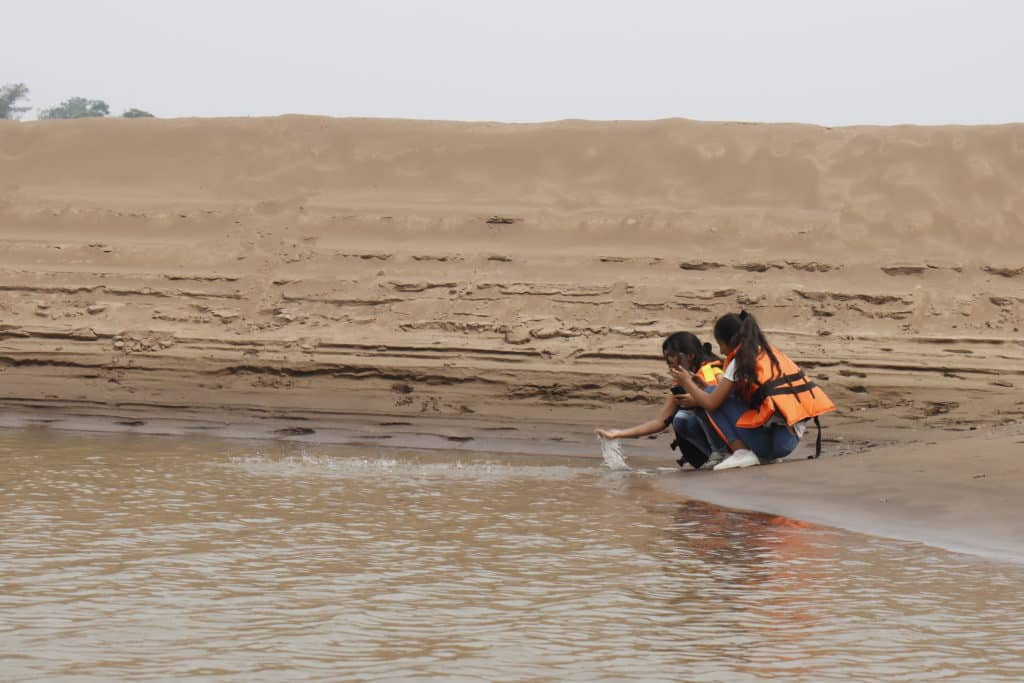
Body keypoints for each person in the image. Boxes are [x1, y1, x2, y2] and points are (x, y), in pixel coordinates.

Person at [669, 311, 836, 470]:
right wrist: (704, 386)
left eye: (721, 344)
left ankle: (741, 453)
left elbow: (711, 404)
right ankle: (760, 455)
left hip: (773, 443)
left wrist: (687, 382)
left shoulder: (739, 360)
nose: (720, 352)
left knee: (711, 395)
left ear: (733, 339)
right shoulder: (767, 352)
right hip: (789, 439)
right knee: (712, 390)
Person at [596, 332, 730, 469]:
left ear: (690, 356)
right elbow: (660, 422)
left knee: (682, 418)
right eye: (666, 359)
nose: (669, 362)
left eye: (672, 356)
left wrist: (697, 400)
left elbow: (722, 402)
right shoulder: (680, 382)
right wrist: (618, 434)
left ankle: (722, 454)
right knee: (680, 419)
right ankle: (713, 458)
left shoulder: (709, 371)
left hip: (732, 435)